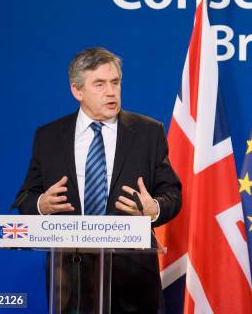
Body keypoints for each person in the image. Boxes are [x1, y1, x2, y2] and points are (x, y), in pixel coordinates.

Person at [15, 47, 181, 313]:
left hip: (135, 279)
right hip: (70, 279)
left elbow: (172, 193)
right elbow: (24, 199)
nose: (111, 91)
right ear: (77, 91)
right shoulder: (49, 137)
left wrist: (154, 209)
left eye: (115, 82)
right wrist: (42, 205)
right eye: (100, 84)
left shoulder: (149, 132)